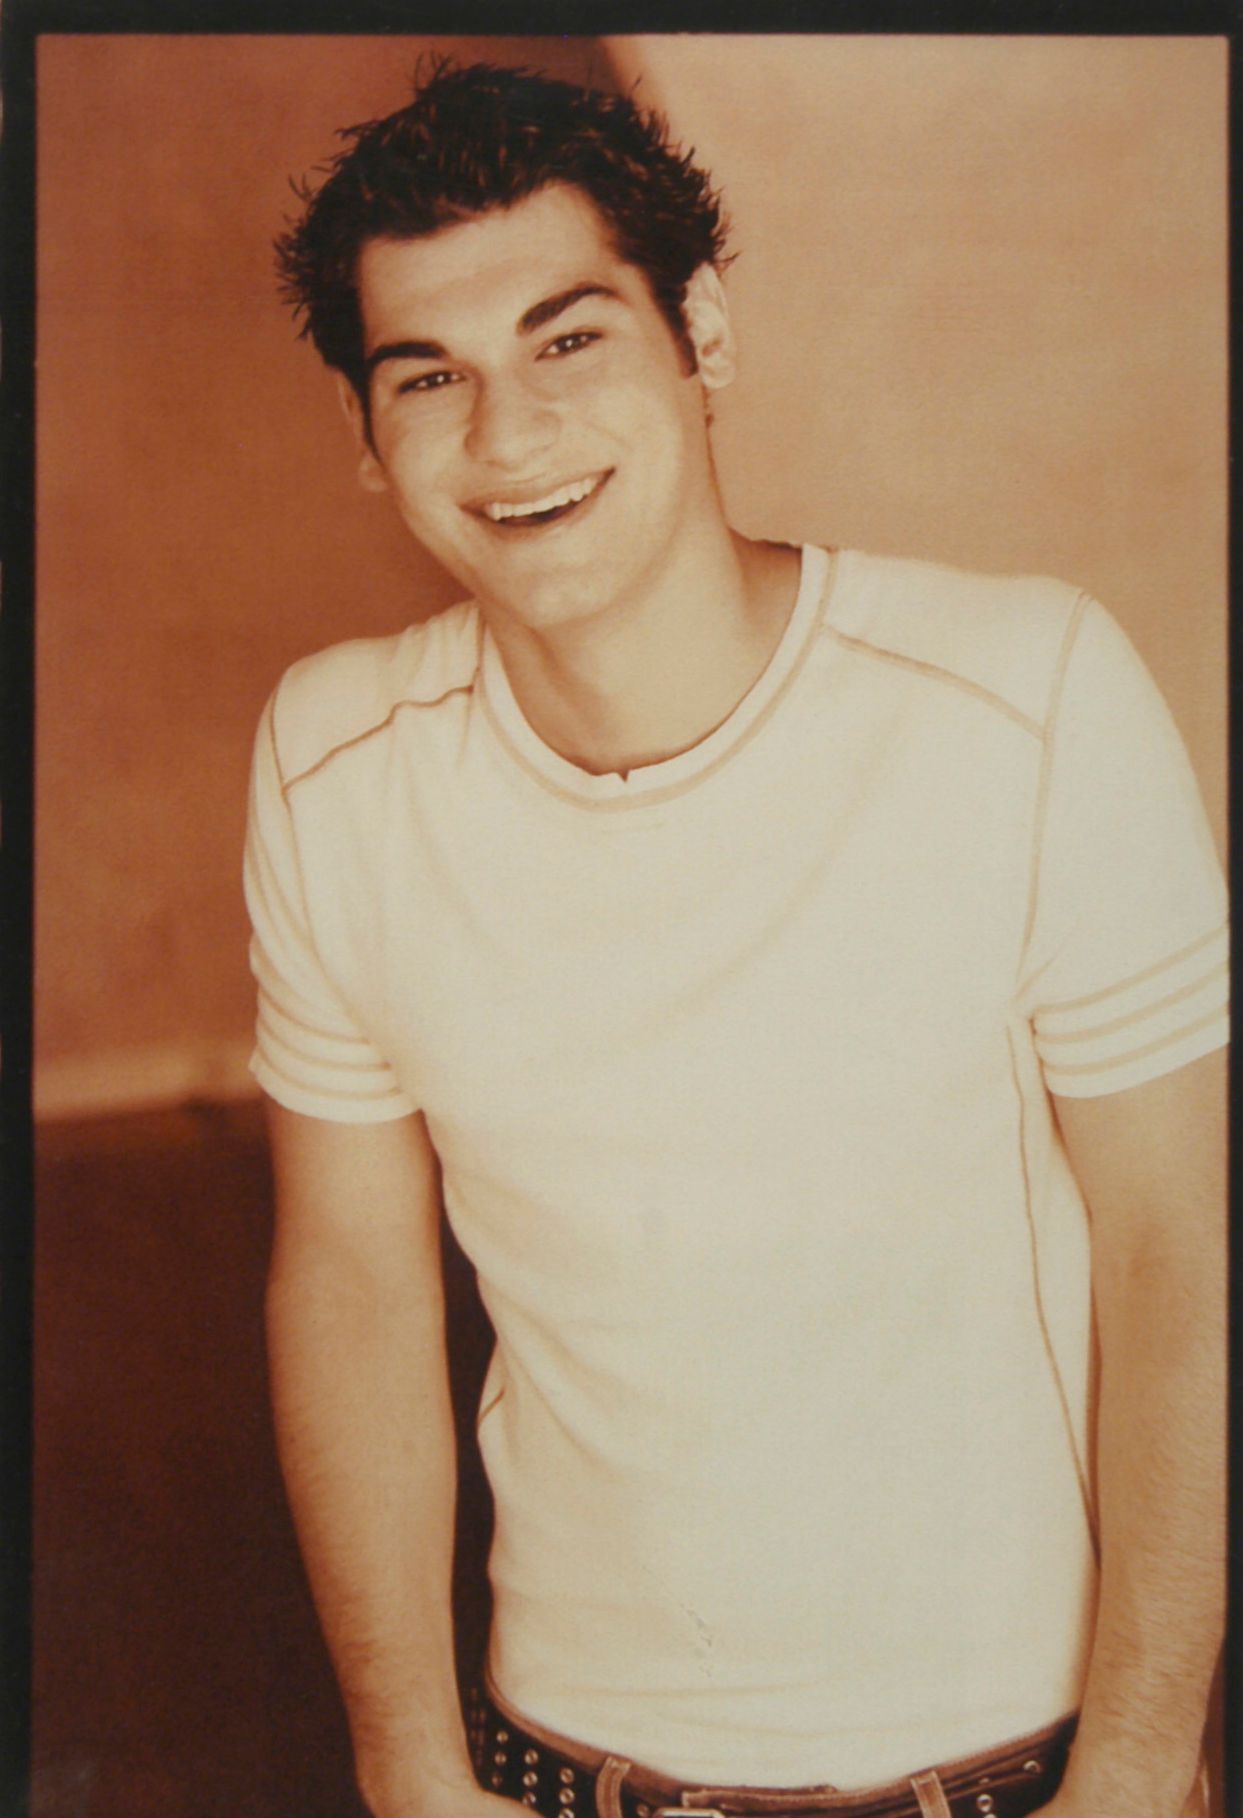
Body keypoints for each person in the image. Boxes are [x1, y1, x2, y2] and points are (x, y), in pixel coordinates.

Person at [244, 59, 1227, 1818]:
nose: (509, 435)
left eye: (568, 339)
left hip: (1009, 1772)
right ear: (363, 434)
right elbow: (353, 1283)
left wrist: (1144, 1767)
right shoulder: (332, 766)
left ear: (701, 332)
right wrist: (410, 1769)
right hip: (556, 1764)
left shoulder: (1030, 699)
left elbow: (1182, 1257)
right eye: (430, 376)